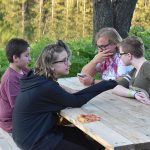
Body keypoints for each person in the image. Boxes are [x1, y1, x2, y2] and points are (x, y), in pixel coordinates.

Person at [12, 40, 117, 150]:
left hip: (33, 133)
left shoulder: (37, 78)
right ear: (51, 65)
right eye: (64, 61)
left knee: (83, 137)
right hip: (36, 141)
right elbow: (76, 101)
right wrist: (106, 84)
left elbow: (71, 95)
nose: (69, 63)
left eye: (68, 59)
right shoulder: (45, 87)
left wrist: (103, 84)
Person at [0, 38, 30, 133]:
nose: (29, 59)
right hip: (11, 121)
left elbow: (36, 78)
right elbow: (17, 106)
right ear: (15, 58)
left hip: (21, 114)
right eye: (27, 55)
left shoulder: (24, 70)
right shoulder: (10, 78)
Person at [112, 36, 150, 105]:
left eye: (120, 54)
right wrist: (134, 94)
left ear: (129, 55)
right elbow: (116, 88)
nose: (120, 57)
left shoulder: (147, 66)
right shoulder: (135, 70)